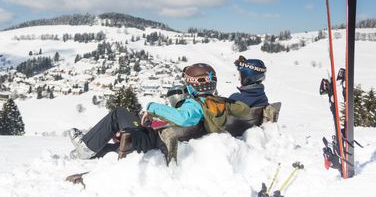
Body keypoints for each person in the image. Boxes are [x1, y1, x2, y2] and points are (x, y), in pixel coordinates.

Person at [68, 63, 250, 160]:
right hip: (160, 137)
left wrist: (153, 108)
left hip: (152, 140)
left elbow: (184, 118)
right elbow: (244, 111)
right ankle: (89, 151)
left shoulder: (195, 105)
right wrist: (227, 102)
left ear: (193, 86)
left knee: (119, 113)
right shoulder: (217, 103)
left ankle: (86, 147)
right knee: (124, 132)